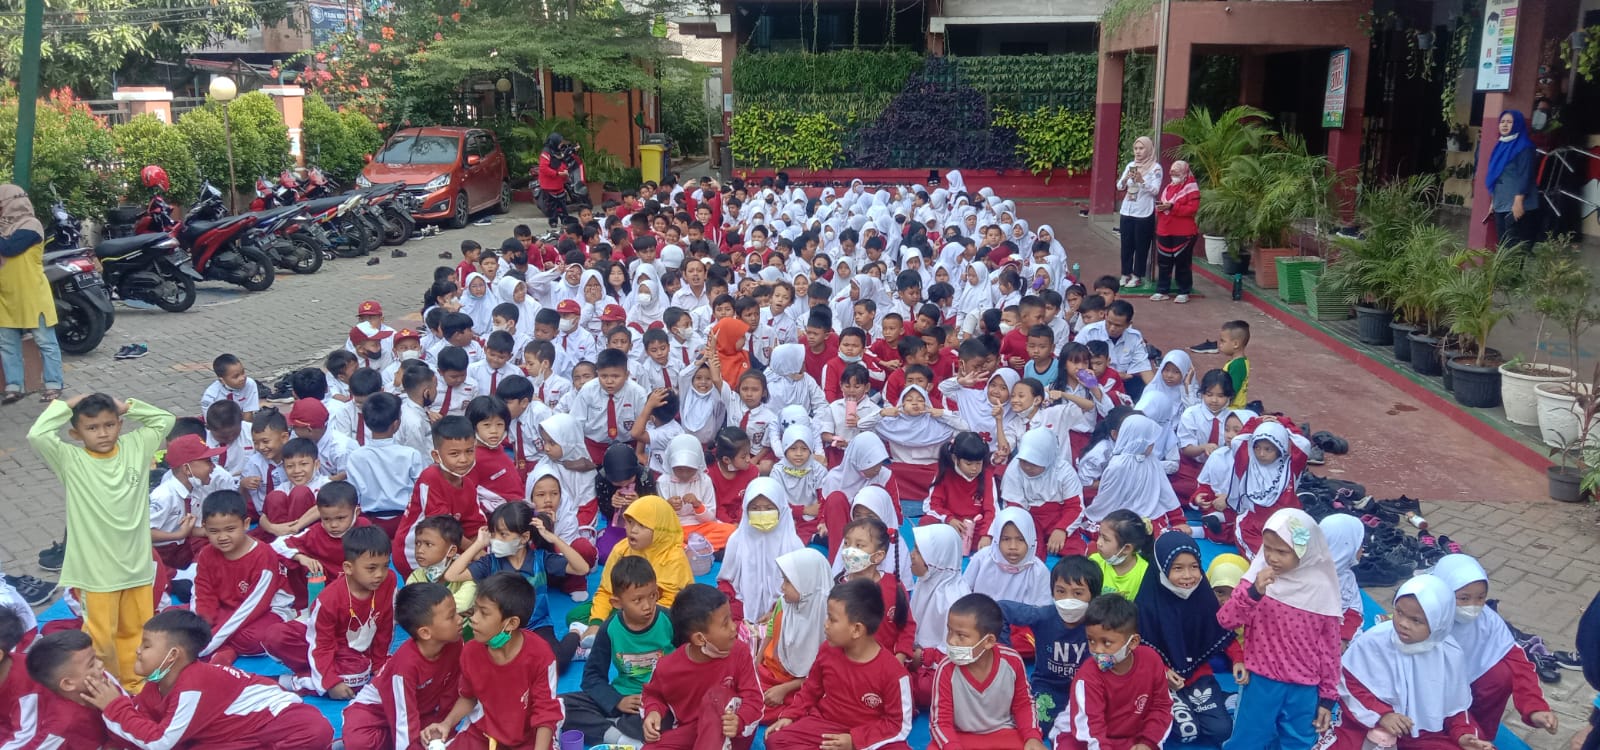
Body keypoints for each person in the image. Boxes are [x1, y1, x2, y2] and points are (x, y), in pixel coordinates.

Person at [26, 392, 175, 690]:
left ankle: (136, 687)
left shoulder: (136, 445)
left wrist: (127, 405)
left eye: (110, 424)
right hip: (97, 573)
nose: (103, 433)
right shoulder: (71, 459)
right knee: (101, 640)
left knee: (138, 632)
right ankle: (106, 687)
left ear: (120, 424)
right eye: (92, 428)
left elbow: (165, 420)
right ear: (75, 433)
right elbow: (37, 434)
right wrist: (67, 404)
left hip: (136, 566)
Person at [81, 609, 334, 748]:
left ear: (173, 656)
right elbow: (136, 725)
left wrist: (113, 706)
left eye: (146, 646)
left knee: (316, 730)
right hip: (229, 737)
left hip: (280, 720)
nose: (137, 651)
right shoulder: (155, 687)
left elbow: (159, 741)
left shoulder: (193, 683)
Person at [1217, 508, 1342, 750]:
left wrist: (1328, 697)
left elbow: (1330, 650)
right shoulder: (1257, 580)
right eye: (1267, 548)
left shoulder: (1323, 589)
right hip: (1261, 680)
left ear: (1305, 551)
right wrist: (1253, 593)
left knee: (1298, 742)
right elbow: (1226, 620)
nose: (1272, 557)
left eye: (1282, 551)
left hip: (1304, 687)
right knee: (1247, 740)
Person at [1333, 575, 1495, 750]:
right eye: (1399, 612)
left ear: (1438, 623)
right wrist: (1382, 715)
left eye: (1416, 620)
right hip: (1370, 726)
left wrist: (1464, 735)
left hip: (1426, 734)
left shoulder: (1449, 654)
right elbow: (1349, 684)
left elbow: (1455, 709)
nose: (1403, 623)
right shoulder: (1374, 642)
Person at [766, 579, 915, 750]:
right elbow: (810, 688)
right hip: (826, 726)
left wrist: (855, 741)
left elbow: (898, 725)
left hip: (868, 733)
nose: (825, 624)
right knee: (776, 740)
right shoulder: (827, 651)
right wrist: (790, 716)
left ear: (857, 629)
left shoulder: (894, 673)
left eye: (832, 619)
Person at [422, 573, 564, 749]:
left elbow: (545, 713)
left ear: (511, 623)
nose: (473, 618)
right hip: (484, 735)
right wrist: (446, 724)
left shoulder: (540, 655)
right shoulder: (470, 652)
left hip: (527, 739)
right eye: (475, 609)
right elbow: (468, 697)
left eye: (484, 613)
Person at [1431, 554, 1558, 738]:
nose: (1473, 606)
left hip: (1465, 688)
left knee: (1500, 676)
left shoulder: (1488, 621)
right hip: (1430, 690)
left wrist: (1535, 707)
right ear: (1443, 593)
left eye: (1481, 598)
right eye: (1464, 598)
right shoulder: (1423, 619)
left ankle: (1480, 734)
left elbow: (1518, 662)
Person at [192, 490, 311, 673]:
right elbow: (203, 592)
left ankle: (224, 649)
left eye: (230, 529)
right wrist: (200, 626)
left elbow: (253, 607)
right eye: (214, 531)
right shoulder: (206, 554)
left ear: (246, 524)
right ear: (204, 528)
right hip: (228, 610)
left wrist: (205, 643)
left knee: (259, 637)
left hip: (265, 612)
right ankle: (223, 646)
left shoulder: (263, 556)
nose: (222, 537)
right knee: (174, 618)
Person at [560, 557, 670, 747]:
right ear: (617, 603)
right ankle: (620, 736)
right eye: (637, 600)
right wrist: (616, 701)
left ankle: (614, 729)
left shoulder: (670, 620)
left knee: (673, 718)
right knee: (560, 705)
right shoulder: (609, 628)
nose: (648, 605)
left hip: (661, 703)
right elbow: (592, 676)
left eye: (653, 595)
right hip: (624, 697)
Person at [339, 582, 463, 750]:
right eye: (451, 616)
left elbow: (451, 692)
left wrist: (443, 727)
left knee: (447, 741)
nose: (460, 619)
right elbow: (403, 716)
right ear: (425, 632)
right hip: (375, 713)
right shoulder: (406, 665)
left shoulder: (455, 644)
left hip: (419, 713)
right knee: (360, 743)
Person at [640, 584, 764, 749]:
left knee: (716, 696)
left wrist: (740, 721)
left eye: (731, 618)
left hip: (733, 732)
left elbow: (755, 700)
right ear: (700, 639)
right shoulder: (667, 667)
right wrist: (653, 712)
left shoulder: (739, 652)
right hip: (693, 732)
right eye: (725, 623)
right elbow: (652, 695)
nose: (734, 627)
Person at [1048, 593, 1173, 750]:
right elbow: (1090, 728)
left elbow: (1162, 707)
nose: (1097, 650)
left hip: (1128, 738)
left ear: (1133, 642)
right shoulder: (1088, 676)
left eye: (1106, 642)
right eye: (1091, 640)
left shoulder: (1152, 660)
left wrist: (1147, 743)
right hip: (1081, 736)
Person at [929, 593, 1047, 750]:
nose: (951, 640)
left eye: (961, 635)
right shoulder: (945, 668)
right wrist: (951, 746)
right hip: (959, 737)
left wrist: (1032, 737)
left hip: (1004, 734)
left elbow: (1024, 704)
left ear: (989, 641)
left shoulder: (1012, 661)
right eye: (949, 631)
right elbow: (940, 721)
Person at [998, 555, 1102, 728]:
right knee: (1030, 728)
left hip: (1088, 689)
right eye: (1061, 591)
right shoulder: (1044, 615)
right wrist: (1007, 655)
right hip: (1048, 688)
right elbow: (1000, 609)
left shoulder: (1099, 621)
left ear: (1094, 596)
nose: (1068, 599)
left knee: (1089, 732)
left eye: (1078, 593)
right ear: (1052, 592)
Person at [582, 496, 694, 645]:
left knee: (684, 622)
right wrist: (596, 623)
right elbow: (607, 591)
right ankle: (604, 632)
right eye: (629, 522)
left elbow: (671, 601)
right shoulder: (621, 549)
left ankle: (614, 634)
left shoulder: (673, 557)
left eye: (642, 525)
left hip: (655, 612)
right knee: (576, 615)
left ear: (660, 529)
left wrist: (632, 620)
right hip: (626, 605)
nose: (632, 531)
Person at [1136, 533, 1236, 689]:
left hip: (1199, 673)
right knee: (1174, 713)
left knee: (1216, 713)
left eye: (1194, 567)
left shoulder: (1203, 596)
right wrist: (1163, 671)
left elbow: (1220, 631)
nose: (1188, 576)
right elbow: (1140, 647)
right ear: (1161, 568)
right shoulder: (1147, 605)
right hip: (1158, 678)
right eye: (1178, 568)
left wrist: (1238, 660)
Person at [392, 416, 486, 577]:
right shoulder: (430, 478)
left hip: (446, 550)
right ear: (436, 456)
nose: (463, 459)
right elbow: (442, 528)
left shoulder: (468, 485)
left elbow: (474, 524)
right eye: (454, 454)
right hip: (414, 553)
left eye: (469, 451)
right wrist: (475, 550)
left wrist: (482, 548)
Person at [0, 183, 64, 404]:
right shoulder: (3, 228)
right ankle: (14, 386)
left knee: (45, 341)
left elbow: (9, 249)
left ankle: (54, 385)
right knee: (7, 343)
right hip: (6, 297)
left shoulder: (31, 225)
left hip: (32, 294)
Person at [717, 477, 803, 631]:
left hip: (784, 605)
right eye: (755, 508)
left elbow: (802, 588)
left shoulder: (793, 544)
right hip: (742, 604)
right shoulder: (737, 540)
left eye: (769, 508)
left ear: (781, 509)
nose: (762, 513)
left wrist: (776, 611)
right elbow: (727, 582)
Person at [10, 626, 118, 748]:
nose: (100, 664)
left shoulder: (101, 677)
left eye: (96, 657)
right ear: (68, 684)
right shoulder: (61, 726)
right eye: (91, 664)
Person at [908, 523, 971, 707]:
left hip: (939, 664)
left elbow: (956, 651)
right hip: (917, 656)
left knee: (926, 689)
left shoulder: (954, 598)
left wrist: (922, 656)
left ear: (937, 558)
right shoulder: (924, 581)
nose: (912, 555)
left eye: (919, 552)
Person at [1486, 110, 1541, 251]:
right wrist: (1493, 202)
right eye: (1502, 122)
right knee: (1503, 245)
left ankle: (1514, 274)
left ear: (1517, 124)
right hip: (1501, 202)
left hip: (1517, 205)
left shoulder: (1524, 147)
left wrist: (1518, 202)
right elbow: (1496, 175)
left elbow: (1525, 175)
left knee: (1514, 248)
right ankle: (1506, 273)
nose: (1505, 125)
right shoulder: (1501, 144)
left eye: (1509, 122)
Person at [1115, 137, 1163, 289]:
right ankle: (1125, 273)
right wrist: (1124, 180)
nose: (1138, 152)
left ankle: (1137, 276)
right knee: (1126, 245)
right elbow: (1119, 186)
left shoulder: (1155, 168)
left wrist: (1142, 180)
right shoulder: (1131, 165)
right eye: (1136, 149)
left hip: (1143, 212)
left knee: (1141, 246)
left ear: (1148, 149)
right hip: (1127, 210)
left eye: (1141, 148)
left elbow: (1155, 190)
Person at [1151, 159, 1199, 303]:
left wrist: (1172, 207)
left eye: (1177, 172)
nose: (1174, 174)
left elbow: (1192, 209)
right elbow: (1164, 205)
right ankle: (1162, 290)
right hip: (1165, 229)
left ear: (1185, 172)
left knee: (1182, 263)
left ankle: (1183, 291)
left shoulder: (1191, 188)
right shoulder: (1168, 188)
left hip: (1184, 232)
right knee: (1164, 262)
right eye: (1172, 172)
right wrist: (1161, 207)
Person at [537, 133, 571, 228]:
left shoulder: (558, 152)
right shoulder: (546, 153)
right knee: (551, 205)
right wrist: (557, 173)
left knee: (562, 204)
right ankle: (553, 221)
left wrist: (565, 171)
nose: (561, 144)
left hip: (559, 183)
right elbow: (543, 168)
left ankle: (564, 220)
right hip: (549, 184)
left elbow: (562, 162)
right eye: (559, 142)